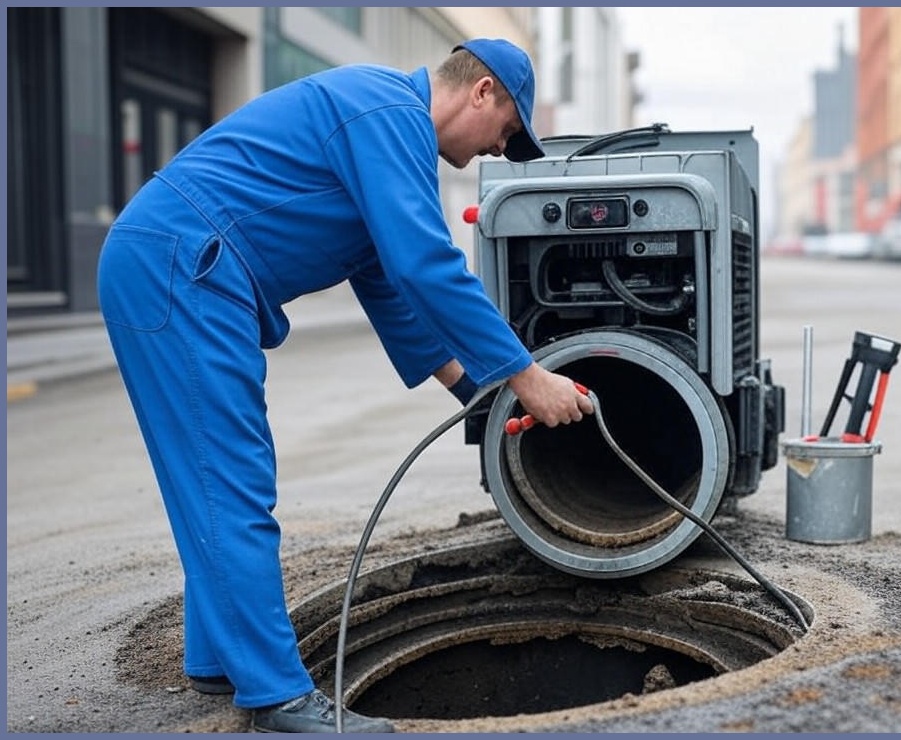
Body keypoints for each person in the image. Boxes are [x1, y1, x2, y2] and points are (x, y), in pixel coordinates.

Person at [96, 38, 594, 734]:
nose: (496, 148)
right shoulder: (387, 111)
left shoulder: (387, 127)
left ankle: (217, 660)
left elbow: (389, 285)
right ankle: (278, 700)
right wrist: (526, 375)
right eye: (507, 131)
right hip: (182, 267)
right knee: (227, 481)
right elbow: (427, 265)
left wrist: (477, 395)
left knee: (216, 478)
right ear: (482, 90)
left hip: (181, 265)